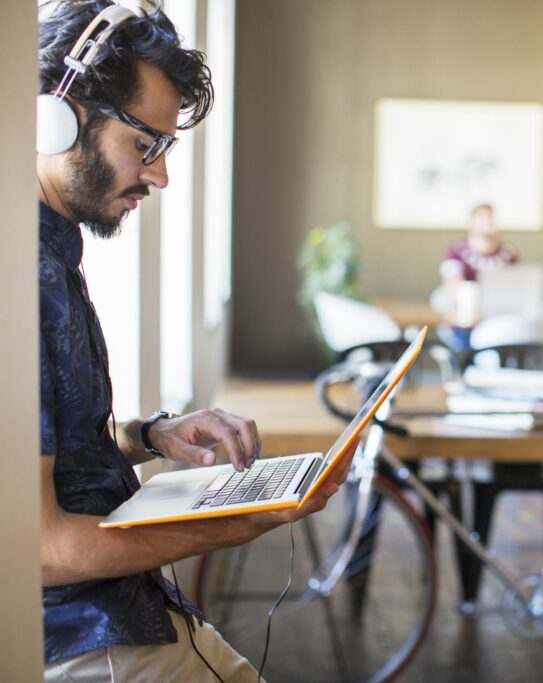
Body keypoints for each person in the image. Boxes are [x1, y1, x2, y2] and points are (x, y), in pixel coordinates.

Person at [36, 3, 343, 680]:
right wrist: (233, 524)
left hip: (119, 609)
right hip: (77, 636)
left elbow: (58, 453)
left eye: (165, 149)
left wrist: (154, 433)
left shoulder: (52, 255)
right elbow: (40, 547)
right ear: (60, 115)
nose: (161, 175)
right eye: (146, 144)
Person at [436, 202, 518, 352]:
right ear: (472, 223)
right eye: (482, 220)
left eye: (491, 220)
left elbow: (517, 288)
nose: (487, 224)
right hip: (466, 322)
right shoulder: (457, 251)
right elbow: (453, 286)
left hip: (499, 320)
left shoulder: (508, 254)